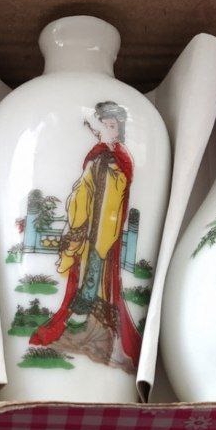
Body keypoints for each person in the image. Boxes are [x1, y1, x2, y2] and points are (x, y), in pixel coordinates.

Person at [29, 101, 141, 371]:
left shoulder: (121, 158)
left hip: (107, 231)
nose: (111, 130)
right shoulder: (97, 157)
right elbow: (82, 190)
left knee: (101, 274)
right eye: (107, 126)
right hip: (90, 229)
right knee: (86, 274)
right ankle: (82, 323)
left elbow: (120, 192)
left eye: (114, 126)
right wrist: (79, 214)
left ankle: (102, 333)